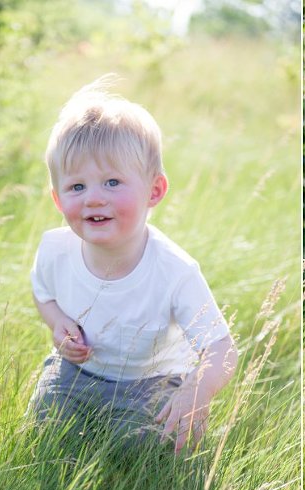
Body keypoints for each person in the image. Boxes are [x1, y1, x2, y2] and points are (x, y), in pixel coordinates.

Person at [28, 76, 236, 453]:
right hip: (77, 374)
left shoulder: (174, 271)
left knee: (142, 447)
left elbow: (222, 348)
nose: (93, 199)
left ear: (153, 191)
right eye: (77, 187)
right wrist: (57, 323)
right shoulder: (55, 250)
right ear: (58, 200)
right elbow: (43, 294)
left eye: (111, 182)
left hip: (150, 382)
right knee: (45, 421)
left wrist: (197, 390)